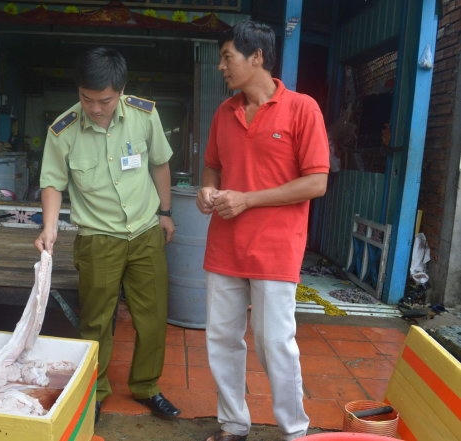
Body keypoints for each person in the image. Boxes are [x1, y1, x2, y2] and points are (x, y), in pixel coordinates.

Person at [196, 21, 330, 441]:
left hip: (275, 249)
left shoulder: (302, 108)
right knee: (222, 339)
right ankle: (233, 424)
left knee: (274, 342)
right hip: (225, 246)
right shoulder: (224, 112)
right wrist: (208, 190)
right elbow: (212, 166)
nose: (221, 66)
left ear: (256, 57)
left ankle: (294, 430)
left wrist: (248, 199)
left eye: (227, 57)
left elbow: (316, 182)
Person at [35, 47, 181, 422]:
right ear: (78, 91)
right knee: (96, 321)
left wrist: (165, 212)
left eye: (105, 100)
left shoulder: (144, 115)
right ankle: (95, 390)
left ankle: (146, 386)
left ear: (121, 90)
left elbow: (160, 164)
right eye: (87, 99)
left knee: (152, 317)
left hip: (145, 231)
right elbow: (52, 182)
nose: (96, 109)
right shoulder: (63, 130)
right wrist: (50, 227)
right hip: (98, 238)